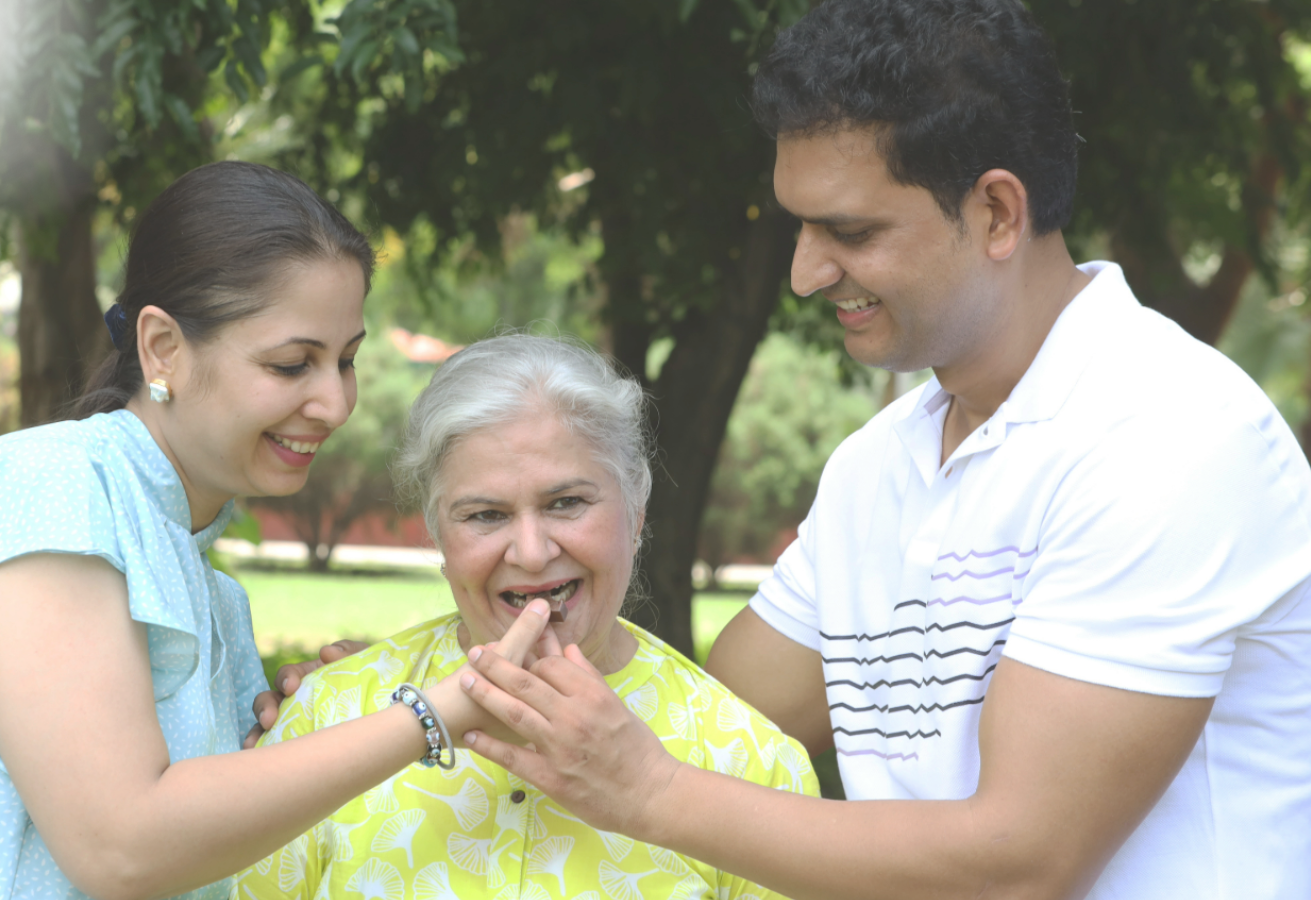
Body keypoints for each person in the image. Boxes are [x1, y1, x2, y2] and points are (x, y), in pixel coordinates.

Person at [267, 2, 1311, 898]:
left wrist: (648, 794)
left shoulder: (1164, 435)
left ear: (995, 211)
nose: (807, 272)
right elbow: (704, 711)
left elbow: (1019, 864)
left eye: (848, 231)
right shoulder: (882, 463)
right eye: (799, 228)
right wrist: (390, 700)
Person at [0, 161, 551, 900]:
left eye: (346, 361)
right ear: (162, 348)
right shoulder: (51, 489)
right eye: (293, 364)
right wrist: (429, 713)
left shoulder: (208, 591)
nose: (334, 402)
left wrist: (331, 717)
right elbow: (122, 848)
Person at [232, 334, 818, 899]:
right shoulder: (328, 716)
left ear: (637, 511)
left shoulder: (752, 762)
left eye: (567, 503)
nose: (532, 553)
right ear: (439, 537)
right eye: (485, 515)